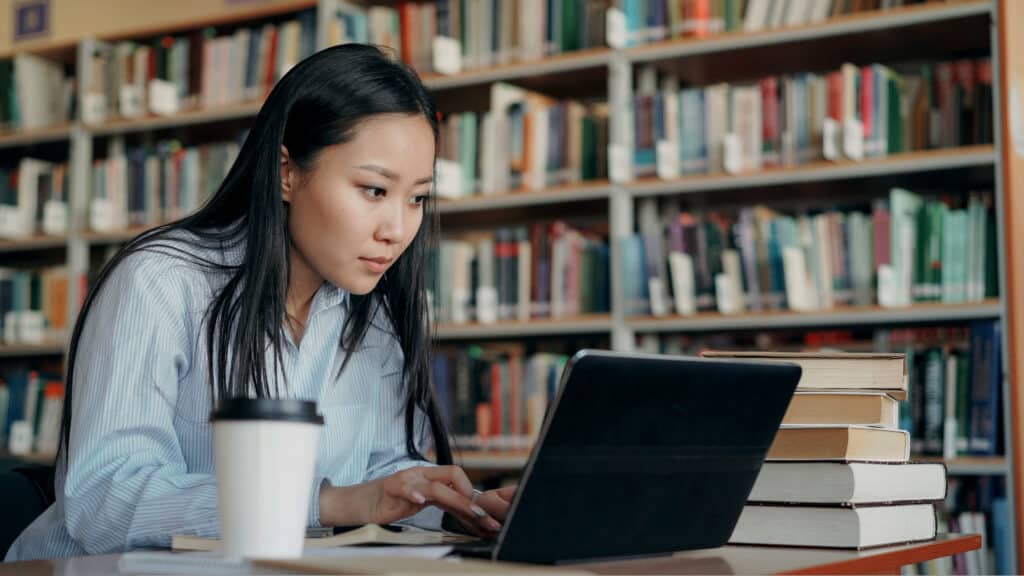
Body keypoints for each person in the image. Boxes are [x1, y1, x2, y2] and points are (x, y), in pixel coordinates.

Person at [5, 43, 514, 561]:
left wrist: (457, 506)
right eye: (375, 190)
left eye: (418, 197)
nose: (399, 229)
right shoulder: (162, 281)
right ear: (286, 172)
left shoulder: (372, 315)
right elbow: (103, 500)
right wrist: (325, 503)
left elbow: (377, 485)